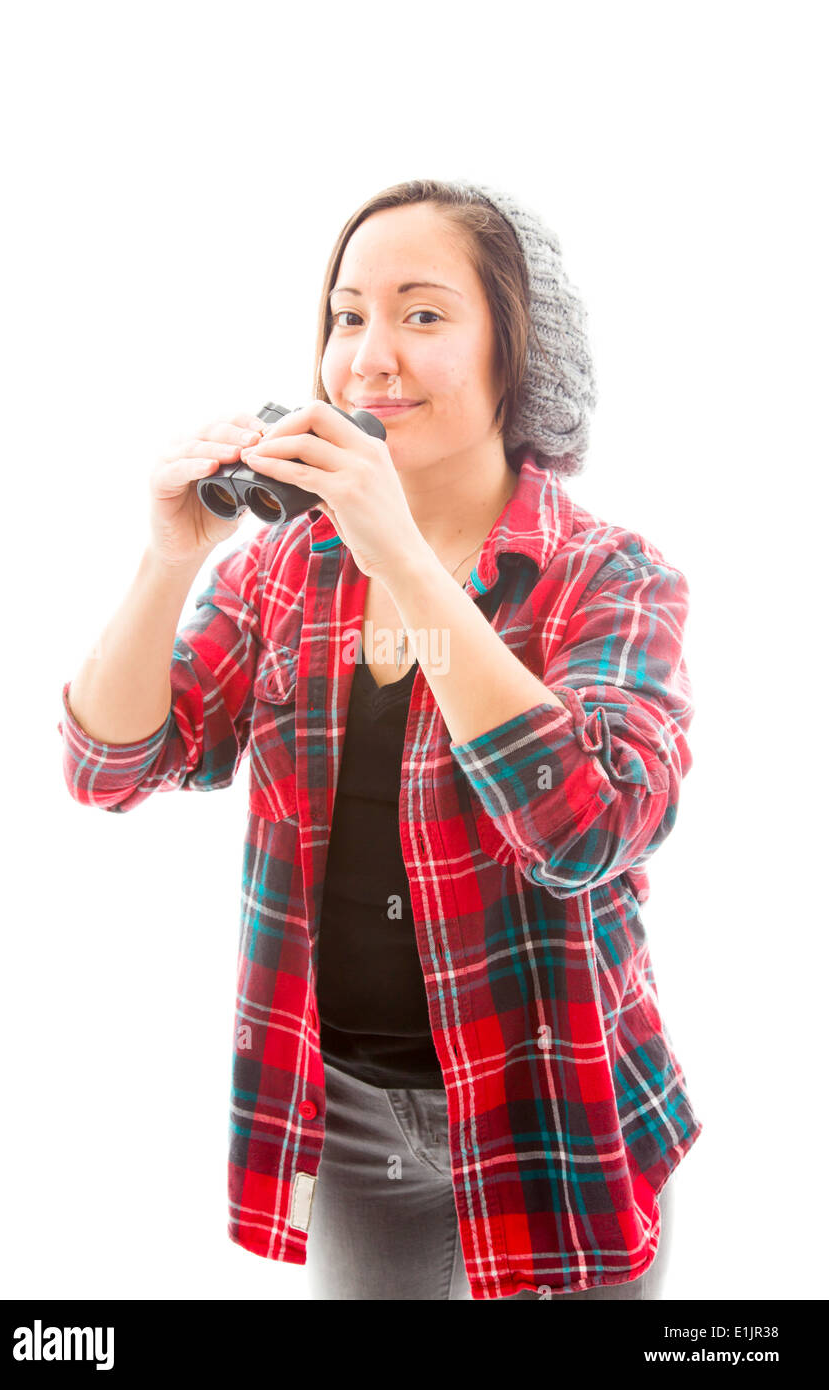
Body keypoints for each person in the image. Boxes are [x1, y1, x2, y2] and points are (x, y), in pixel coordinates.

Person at [58, 177, 703, 1301]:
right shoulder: (283, 569)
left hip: (556, 1097)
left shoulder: (610, 574)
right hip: (347, 1117)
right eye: (346, 315)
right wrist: (170, 557)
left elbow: (587, 827)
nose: (366, 356)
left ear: (519, 352)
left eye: (420, 313)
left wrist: (400, 552)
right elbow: (109, 766)